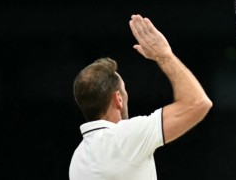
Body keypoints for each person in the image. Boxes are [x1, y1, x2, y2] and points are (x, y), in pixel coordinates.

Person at [69, 14, 212, 179]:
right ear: (118, 99)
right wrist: (164, 56)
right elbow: (198, 103)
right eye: (124, 90)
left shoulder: (78, 158)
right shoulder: (123, 139)